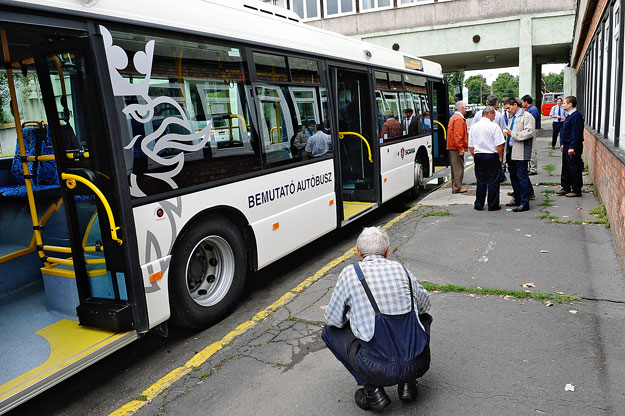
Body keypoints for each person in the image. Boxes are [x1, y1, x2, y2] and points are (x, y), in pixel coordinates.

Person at [322, 227, 432, 411]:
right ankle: (408, 383)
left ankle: (373, 392)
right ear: (387, 251)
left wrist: (356, 320)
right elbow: (425, 305)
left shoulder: (350, 274)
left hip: (376, 368)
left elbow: (333, 320)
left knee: (329, 331)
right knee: (423, 317)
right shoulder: (401, 270)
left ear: (358, 252)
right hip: (418, 362)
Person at [469, 106, 505, 211]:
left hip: (479, 155)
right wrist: (500, 157)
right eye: (493, 115)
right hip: (491, 155)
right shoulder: (494, 126)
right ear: (489, 113)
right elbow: (499, 145)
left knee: (481, 180)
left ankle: (479, 204)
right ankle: (493, 205)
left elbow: (471, 146)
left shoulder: (474, 127)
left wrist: (475, 156)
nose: (494, 118)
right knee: (493, 180)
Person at [503, 97, 535, 212]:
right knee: (513, 176)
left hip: (521, 150)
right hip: (511, 150)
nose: (507, 110)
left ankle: (524, 202)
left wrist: (513, 134)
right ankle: (517, 198)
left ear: (515, 105)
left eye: (508, 108)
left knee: (522, 176)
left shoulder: (527, 116)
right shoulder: (512, 118)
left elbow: (529, 132)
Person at [557, 96, 584, 197]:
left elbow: (575, 133)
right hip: (567, 145)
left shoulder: (576, 116)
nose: (562, 104)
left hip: (572, 146)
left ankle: (576, 190)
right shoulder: (569, 115)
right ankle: (566, 187)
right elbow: (566, 131)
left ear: (570, 104)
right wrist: (563, 143)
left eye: (564, 103)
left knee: (574, 168)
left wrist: (572, 147)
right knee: (566, 167)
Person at [447, 101, 469, 194]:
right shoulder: (459, 119)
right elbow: (458, 135)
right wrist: (461, 148)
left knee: (454, 167)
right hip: (456, 147)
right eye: (465, 108)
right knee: (458, 168)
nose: (466, 110)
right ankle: (457, 187)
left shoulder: (454, 117)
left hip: (452, 146)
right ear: (462, 108)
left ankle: (455, 186)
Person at [522, 95, 540, 175]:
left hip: (532, 131)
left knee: (532, 150)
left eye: (523, 102)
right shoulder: (530, 109)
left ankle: (533, 168)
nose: (522, 104)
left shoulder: (533, 110)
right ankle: (530, 167)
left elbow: (532, 122)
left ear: (526, 102)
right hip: (530, 130)